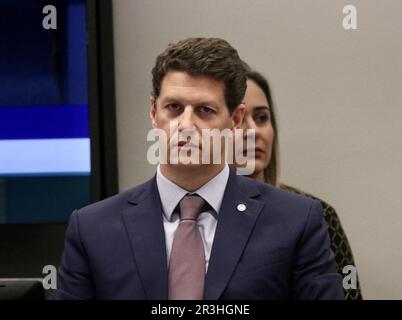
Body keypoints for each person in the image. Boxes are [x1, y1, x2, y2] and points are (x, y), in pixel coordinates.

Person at [53, 37, 343, 300]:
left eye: (205, 110)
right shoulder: (92, 230)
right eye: (174, 108)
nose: (186, 125)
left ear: (236, 119)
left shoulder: (296, 221)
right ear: (154, 112)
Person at [235, 66, 362, 299]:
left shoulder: (318, 215)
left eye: (262, 118)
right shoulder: (195, 215)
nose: (253, 131)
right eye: (239, 120)